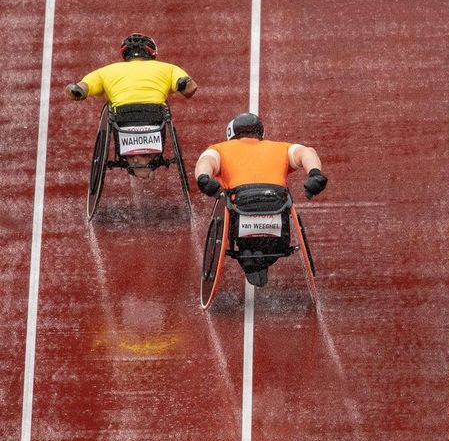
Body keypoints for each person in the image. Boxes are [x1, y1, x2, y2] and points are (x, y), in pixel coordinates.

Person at [193, 112, 327, 286]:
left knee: (234, 209)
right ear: (261, 133)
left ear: (231, 134)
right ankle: (263, 258)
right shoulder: (280, 148)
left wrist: (203, 178)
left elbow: (205, 161)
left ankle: (249, 254)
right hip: (275, 205)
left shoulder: (219, 149)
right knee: (279, 239)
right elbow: (307, 152)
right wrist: (314, 174)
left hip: (241, 207)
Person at [64, 33, 197, 179]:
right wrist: (181, 85)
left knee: (117, 117)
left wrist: (74, 90)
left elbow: (80, 90)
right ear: (152, 52)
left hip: (123, 119)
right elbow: (190, 89)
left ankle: (136, 161)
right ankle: (147, 160)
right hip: (154, 117)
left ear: (124, 53)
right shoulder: (168, 69)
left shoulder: (106, 71)